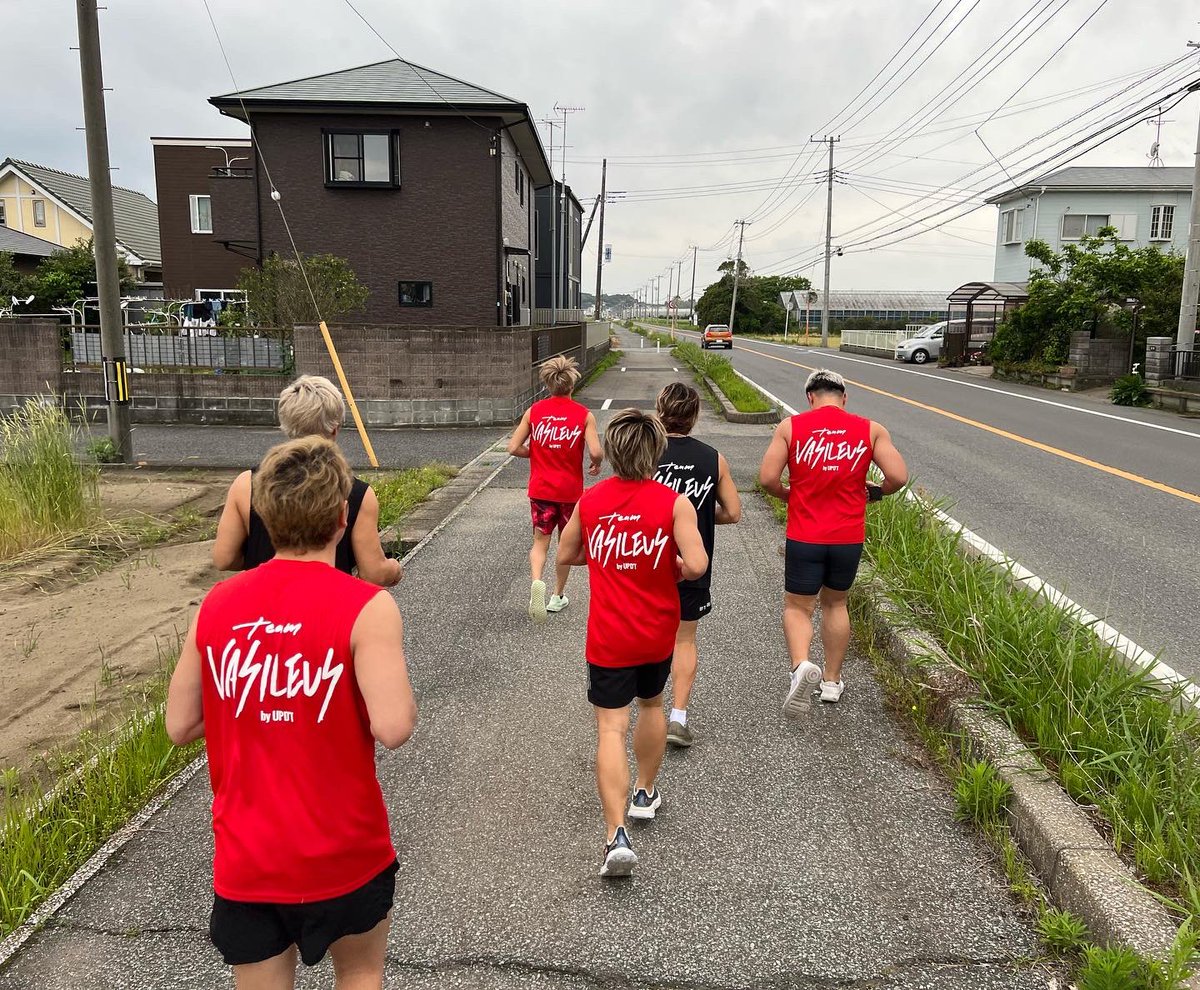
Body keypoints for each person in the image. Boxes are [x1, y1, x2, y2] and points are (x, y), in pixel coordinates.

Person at [166, 436, 417, 989]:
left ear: (263, 514)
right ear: (341, 517)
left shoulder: (217, 604)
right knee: (361, 973)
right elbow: (394, 726)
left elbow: (179, 725)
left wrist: (256, 695)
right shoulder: (367, 607)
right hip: (344, 850)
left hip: (248, 857)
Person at [557, 410, 708, 878]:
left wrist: (602, 557)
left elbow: (565, 553)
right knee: (652, 704)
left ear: (614, 451)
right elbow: (697, 565)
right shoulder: (674, 504)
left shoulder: (591, 500)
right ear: (655, 452)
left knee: (610, 729)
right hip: (656, 631)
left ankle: (615, 834)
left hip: (609, 636)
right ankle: (644, 791)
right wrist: (674, 566)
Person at [757, 369, 907, 715]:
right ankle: (831, 682)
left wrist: (788, 495)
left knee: (798, 606)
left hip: (805, 535)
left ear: (810, 397)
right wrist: (876, 492)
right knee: (836, 604)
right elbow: (898, 477)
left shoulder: (791, 428)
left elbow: (767, 479)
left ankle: (800, 667)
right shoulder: (871, 430)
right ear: (844, 397)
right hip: (847, 537)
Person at [212, 375, 402, 587]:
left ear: (286, 424)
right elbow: (374, 574)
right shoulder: (357, 493)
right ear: (334, 428)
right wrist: (394, 568)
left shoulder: (246, 484)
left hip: (261, 603)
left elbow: (224, 558)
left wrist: (257, 558)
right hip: (329, 602)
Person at [652, 383, 741, 749]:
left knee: (647, 634)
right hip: (692, 563)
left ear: (659, 411)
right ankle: (678, 717)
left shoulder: (646, 452)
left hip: (647, 561)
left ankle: (641, 709)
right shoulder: (713, 458)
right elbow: (733, 512)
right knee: (684, 639)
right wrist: (699, 516)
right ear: (694, 415)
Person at [507, 355, 603, 622]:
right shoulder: (584, 415)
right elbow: (596, 451)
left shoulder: (534, 412)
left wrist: (534, 452)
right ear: (571, 384)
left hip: (540, 491)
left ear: (548, 385)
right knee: (565, 544)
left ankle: (536, 582)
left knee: (540, 542)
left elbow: (513, 447)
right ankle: (557, 596)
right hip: (570, 493)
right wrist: (596, 463)